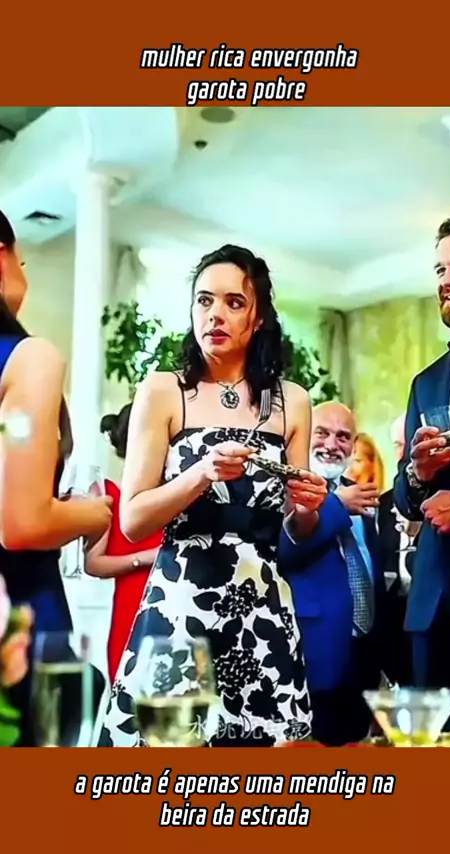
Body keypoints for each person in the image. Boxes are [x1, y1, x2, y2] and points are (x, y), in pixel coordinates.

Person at [100, 243, 326, 747]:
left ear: (259, 318)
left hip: (263, 608)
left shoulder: (292, 400)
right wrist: (200, 474)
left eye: (233, 302)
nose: (215, 314)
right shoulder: (163, 390)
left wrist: (308, 507)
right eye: (204, 301)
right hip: (182, 605)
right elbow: (133, 520)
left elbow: (297, 527)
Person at [0, 210, 113, 744]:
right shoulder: (29, 359)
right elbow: (21, 524)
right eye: (20, 259)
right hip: (19, 619)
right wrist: (92, 513)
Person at [394, 216, 450, 730]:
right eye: (440, 269)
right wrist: (419, 473)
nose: (447, 279)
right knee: (433, 763)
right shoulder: (425, 382)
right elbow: (404, 498)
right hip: (431, 606)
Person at [280, 401, 387, 745]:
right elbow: (287, 552)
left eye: (343, 437)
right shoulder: (284, 487)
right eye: (322, 433)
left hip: (363, 658)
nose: (331, 444)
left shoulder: (359, 493)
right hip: (313, 654)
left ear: (353, 445)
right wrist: (337, 504)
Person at [86, 404, 164, 684]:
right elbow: (93, 563)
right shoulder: (106, 494)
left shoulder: (178, 493)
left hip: (175, 612)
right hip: (130, 615)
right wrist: (147, 558)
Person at [377, 414, 418, 685]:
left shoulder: (448, 502)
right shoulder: (382, 505)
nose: (403, 452)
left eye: (408, 443)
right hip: (393, 629)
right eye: (397, 444)